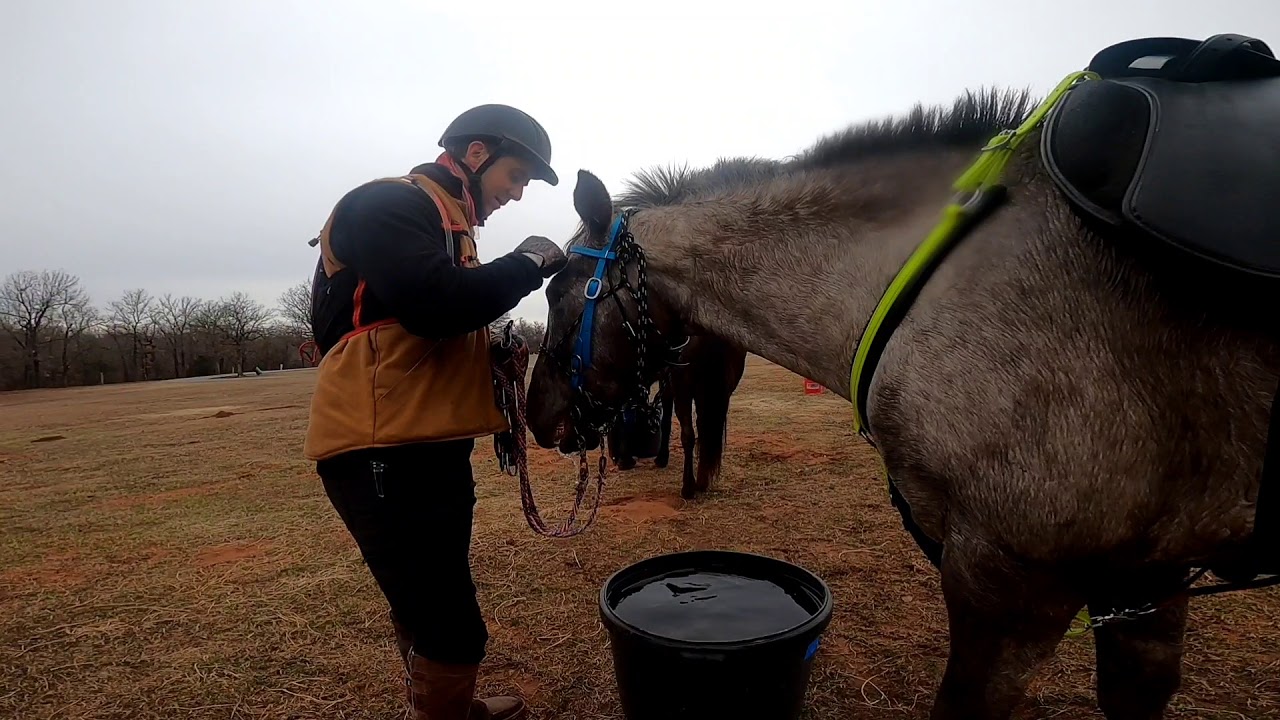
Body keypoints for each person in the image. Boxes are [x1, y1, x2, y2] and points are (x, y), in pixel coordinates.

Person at [302, 104, 568, 720]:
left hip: (423, 446)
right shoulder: (387, 204)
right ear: (476, 155)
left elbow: (427, 322)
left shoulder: (447, 227)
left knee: (429, 601)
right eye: (517, 176)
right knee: (452, 623)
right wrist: (526, 264)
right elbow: (433, 306)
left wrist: (491, 350)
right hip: (382, 452)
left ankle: (447, 705)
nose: (518, 193)